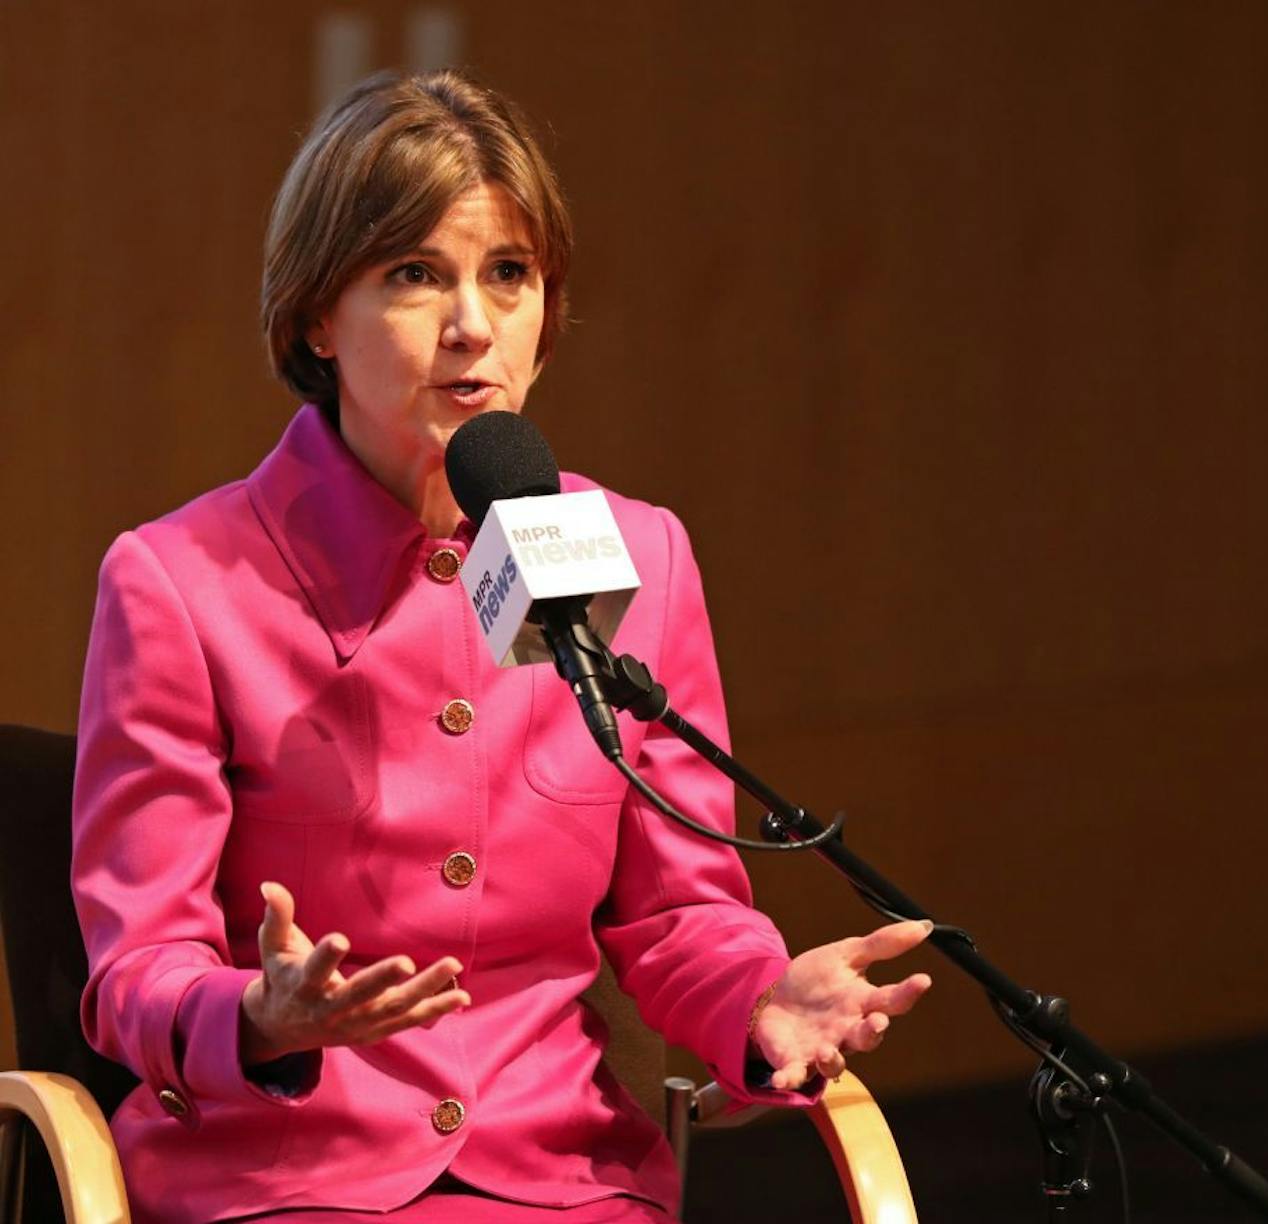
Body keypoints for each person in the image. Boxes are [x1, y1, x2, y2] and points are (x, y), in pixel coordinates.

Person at [71, 69, 932, 1223]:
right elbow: (135, 971)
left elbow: (679, 912)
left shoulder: (634, 553)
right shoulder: (180, 582)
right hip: (283, 1181)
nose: (473, 324)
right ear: (316, 314)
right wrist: (260, 1019)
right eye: (415, 274)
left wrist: (758, 1003)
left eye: (509, 274)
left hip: (562, 1178)